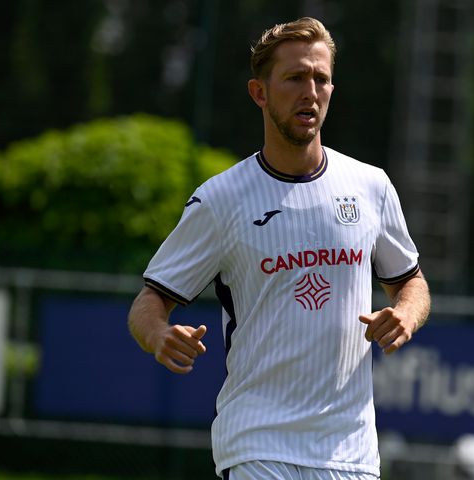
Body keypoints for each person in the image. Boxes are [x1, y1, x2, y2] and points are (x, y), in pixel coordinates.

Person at [128, 16, 430, 480]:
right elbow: (149, 303)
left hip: (349, 453)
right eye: (295, 78)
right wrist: (159, 335)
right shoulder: (221, 199)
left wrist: (406, 314)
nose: (310, 90)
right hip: (256, 442)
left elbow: (410, 281)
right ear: (259, 93)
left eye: (321, 78)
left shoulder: (371, 187)